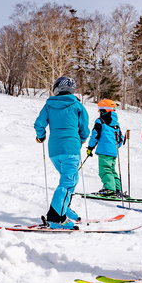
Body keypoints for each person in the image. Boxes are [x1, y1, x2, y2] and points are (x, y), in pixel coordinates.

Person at [34, 76, 89, 229]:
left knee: (70, 179)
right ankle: (56, 218)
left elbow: (39, 123)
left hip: (54, 150)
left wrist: (41, 136)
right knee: (68, 182)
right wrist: (82, 139)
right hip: (71, 149)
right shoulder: (77, 106)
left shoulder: (49, 105)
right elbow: (84, 128)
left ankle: (64, 207)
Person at [87, 99, 127, 196]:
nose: (99, 112)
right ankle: (117, 189)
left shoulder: (100, 121)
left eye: (99, 110)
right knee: (112, 170)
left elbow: (95, 135)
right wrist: (115, 146)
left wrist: (90, 148)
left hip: (104, 150)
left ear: (103, 110)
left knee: (105, 169)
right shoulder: (116, 124)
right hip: (113, 151)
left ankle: (109, 188)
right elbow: (120, 138)